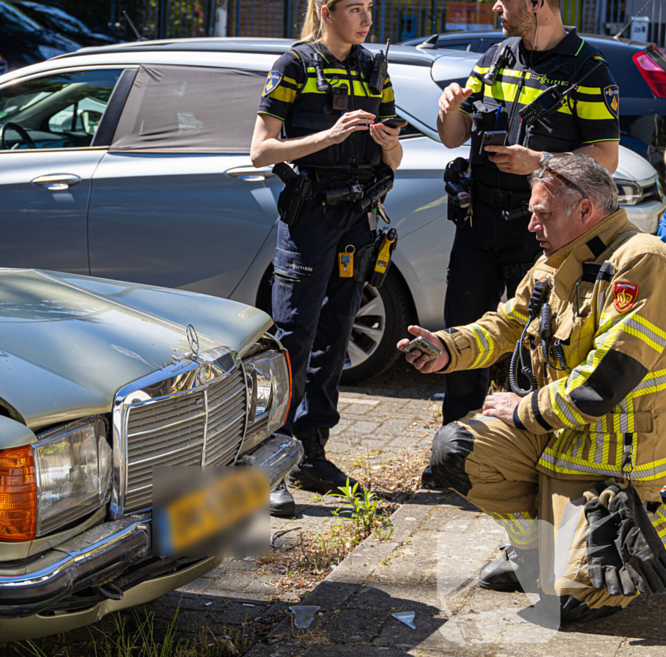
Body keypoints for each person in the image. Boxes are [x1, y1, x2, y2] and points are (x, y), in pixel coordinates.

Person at [401, 156, 666, 621]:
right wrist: (447, 348)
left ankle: (644, 530)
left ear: (584, 210)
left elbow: (605, 382)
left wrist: (525, 410)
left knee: (562, 607)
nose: (530, 226)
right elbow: (506, 326)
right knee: (455, 448)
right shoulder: (555, 263)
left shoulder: (641, 261)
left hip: (612, 468)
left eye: (541, 214)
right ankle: (535, 551)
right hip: (555, 439)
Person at [250, 0, 404, 517]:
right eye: (355, 9)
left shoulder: (373, 70)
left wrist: (386, 144)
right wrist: (329, 136)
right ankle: (269, 461)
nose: (366, 19)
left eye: (369, 9)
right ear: (326, 10)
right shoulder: (292, 65)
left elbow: (396, 158)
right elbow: (260, 150)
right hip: (310, 216)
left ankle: (312, 455)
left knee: (337, 333)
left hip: (356, 217)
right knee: (293, 336)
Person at [435, 0, 620, 430]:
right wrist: (449, 111)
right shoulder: (495, 58)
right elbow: (453, 137)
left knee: (537, 341)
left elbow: (605, 158)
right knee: (463, 328)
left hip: (539, 229)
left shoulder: (588, 69)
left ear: (537, 3)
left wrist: (538, 161)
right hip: (478, 221)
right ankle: (458, 445)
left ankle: (525, 445)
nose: (495, 5)